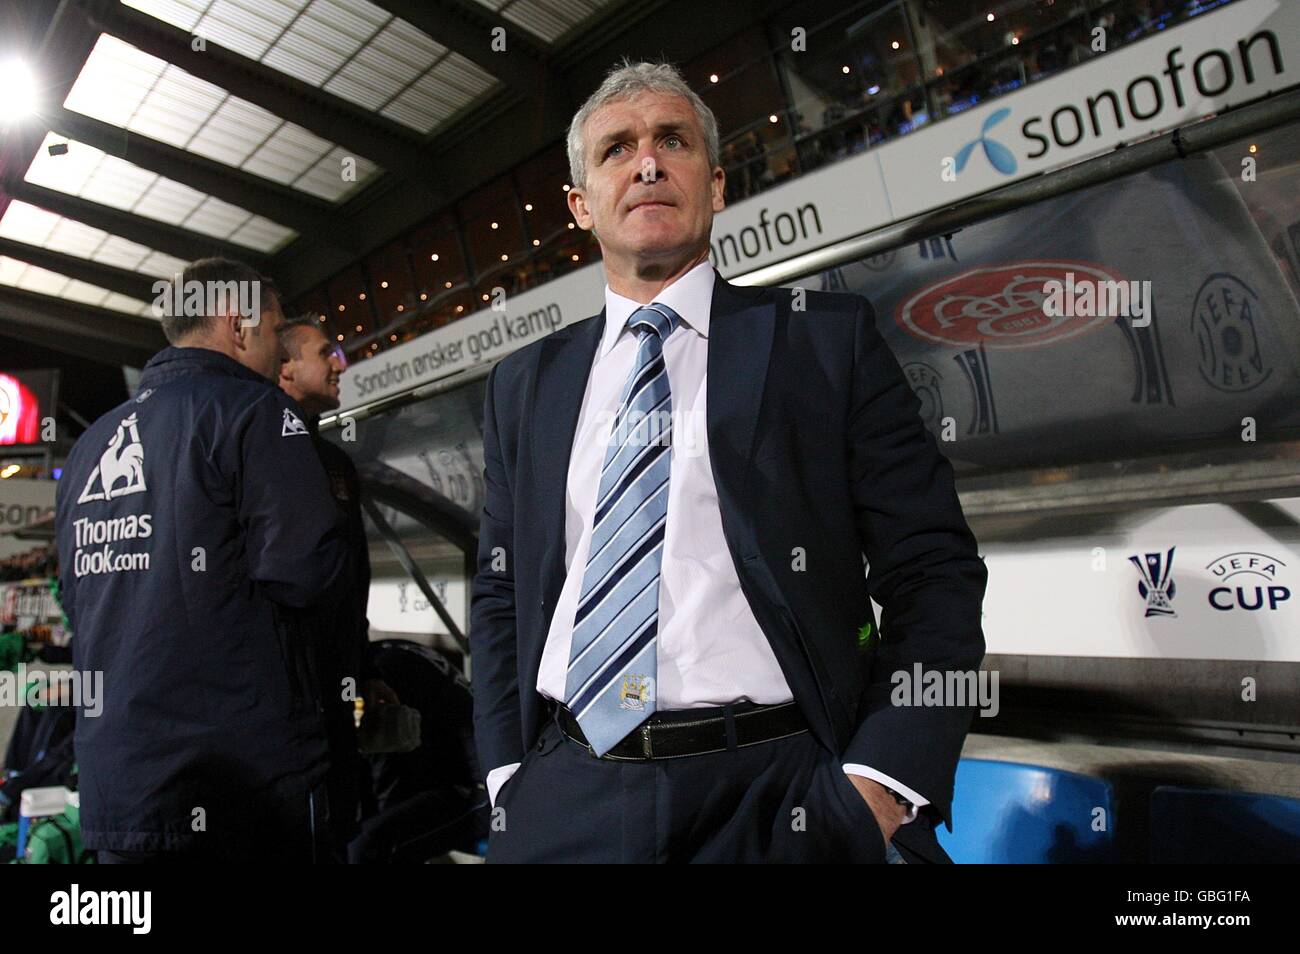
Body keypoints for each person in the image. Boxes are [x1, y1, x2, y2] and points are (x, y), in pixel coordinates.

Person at [470, 61, 988, 863]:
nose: (647, 163)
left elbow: (932, 566)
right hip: (564, 797)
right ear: (580, 206)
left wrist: (881, 779)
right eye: (616, 149)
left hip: (779, 796)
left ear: (714, 186)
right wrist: (507, 773)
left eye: (671, 141)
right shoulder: (523, 386)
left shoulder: (824, 340)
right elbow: (501, 592)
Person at [55, 257, 346, 863]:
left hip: (119, 793)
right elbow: (308, 574)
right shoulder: (256, 413)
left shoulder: (89, 447)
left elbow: (75, 598)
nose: (276, 355)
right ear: (238, 327)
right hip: (241, 789)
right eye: (270, 332)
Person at [277, 314, 397, 859]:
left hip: (335, 694)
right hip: (285, 705)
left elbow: (352, 578)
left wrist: (364, 668)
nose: (337, 363)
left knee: (345, 824)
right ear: (285, 367)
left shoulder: (335, 462)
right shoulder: (259, 453)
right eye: (325, 352)